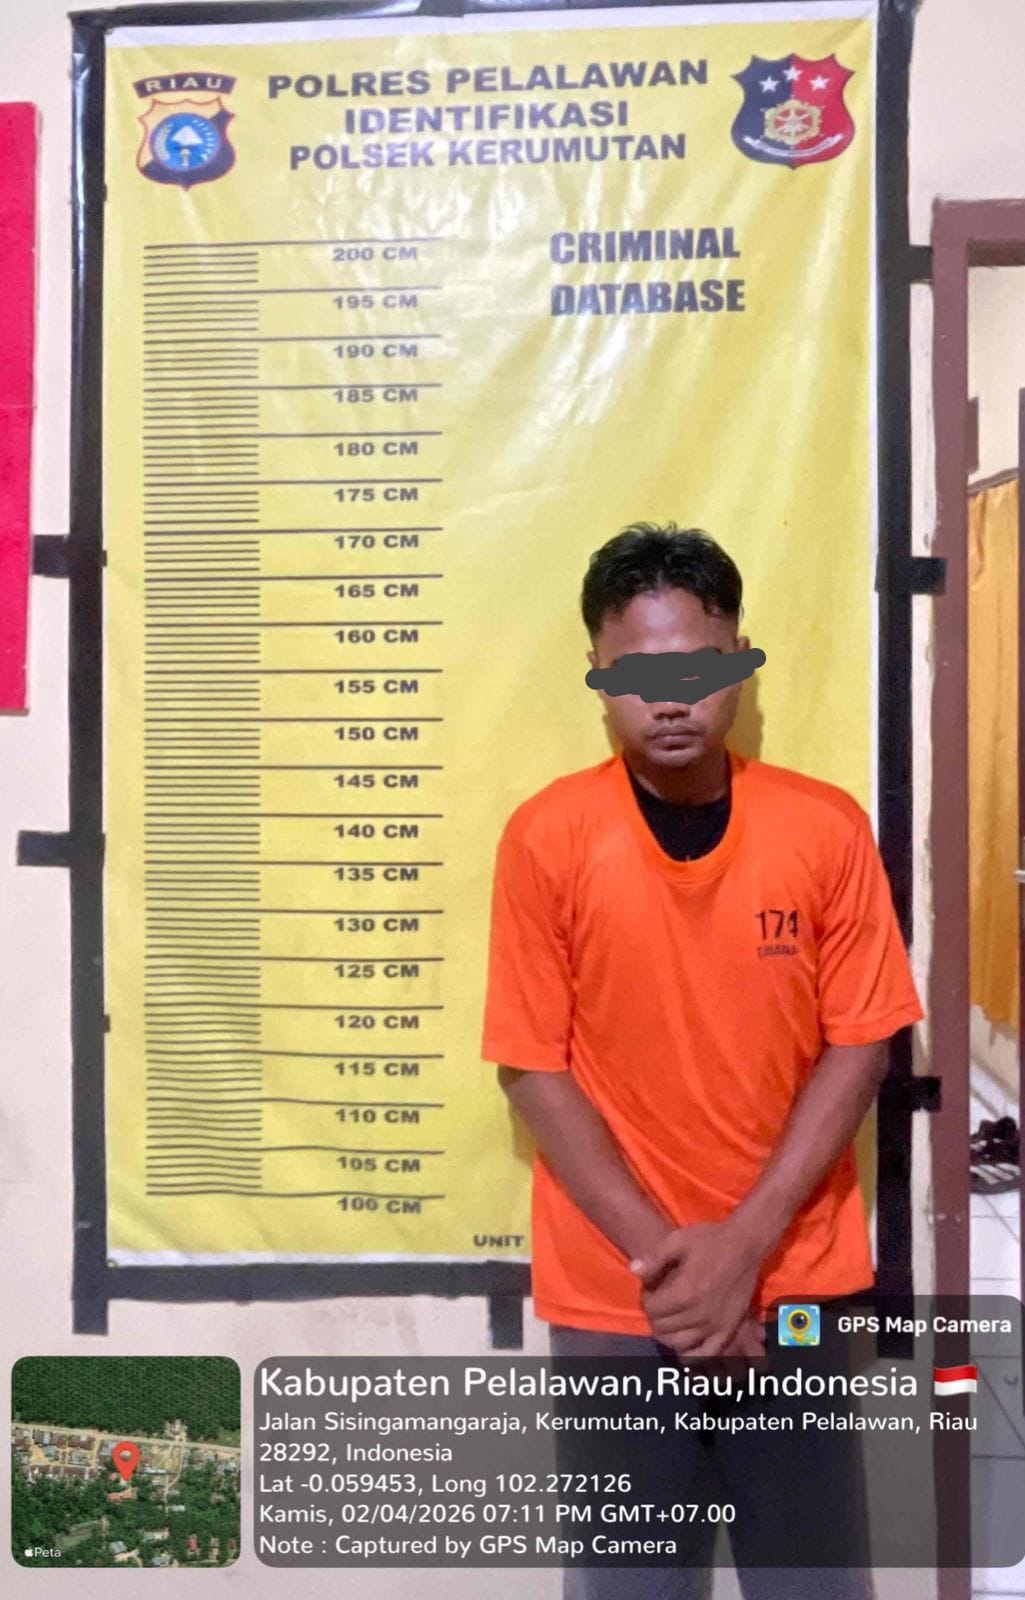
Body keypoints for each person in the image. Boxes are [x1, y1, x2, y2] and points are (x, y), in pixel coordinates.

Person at [480, 523, 925, 1600]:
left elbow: (861, 1043)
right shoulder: (546, 837)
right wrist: (678, 1271)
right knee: (625, 1581)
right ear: (596, 673)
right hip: (615, 1293)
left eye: (695, 668)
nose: (669, 700)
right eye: (637, 671)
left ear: (737, 662)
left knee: (814, 1578)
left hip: (796, 1282)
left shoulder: (822, 828)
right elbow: (530, 1067)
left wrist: (744, 1248)